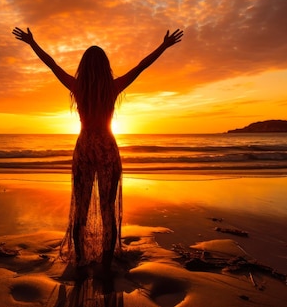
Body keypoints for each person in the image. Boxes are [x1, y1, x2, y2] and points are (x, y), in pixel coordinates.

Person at [12, 26, 183, 271]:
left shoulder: (76, 87)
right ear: (105, 67)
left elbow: (51, 64)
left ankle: (80, 259)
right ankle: (104, 262)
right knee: (107, 209)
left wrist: (32, 43)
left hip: (84, 149)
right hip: (106, 149)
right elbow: (141, 66)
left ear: (83, 66)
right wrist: (163, 46)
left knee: (79, 208)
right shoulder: (112, 88)